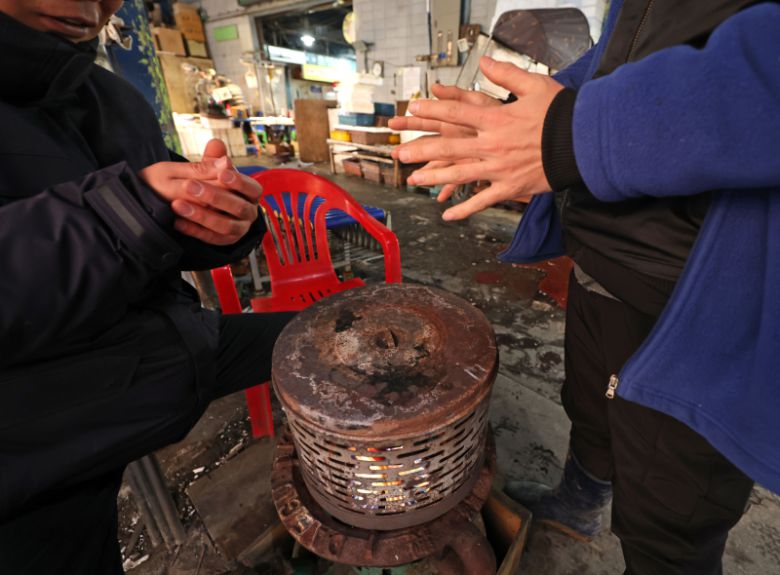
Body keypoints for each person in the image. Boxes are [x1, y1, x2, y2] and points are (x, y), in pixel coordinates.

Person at [390, 1, 780, 573]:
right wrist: (519, 117)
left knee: (670, 516)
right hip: (599, 256)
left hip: (692, 293)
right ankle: (578, 506)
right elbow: (619, 54)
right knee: (590, 410)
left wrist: (576, 132)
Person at [0, 1, 293, 572]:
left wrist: (227, 223)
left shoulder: (111, 99)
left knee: (329, 334)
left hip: (163, 352)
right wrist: (122, 215)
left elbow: (161, 223)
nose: (92, 5)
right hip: (34, 454)